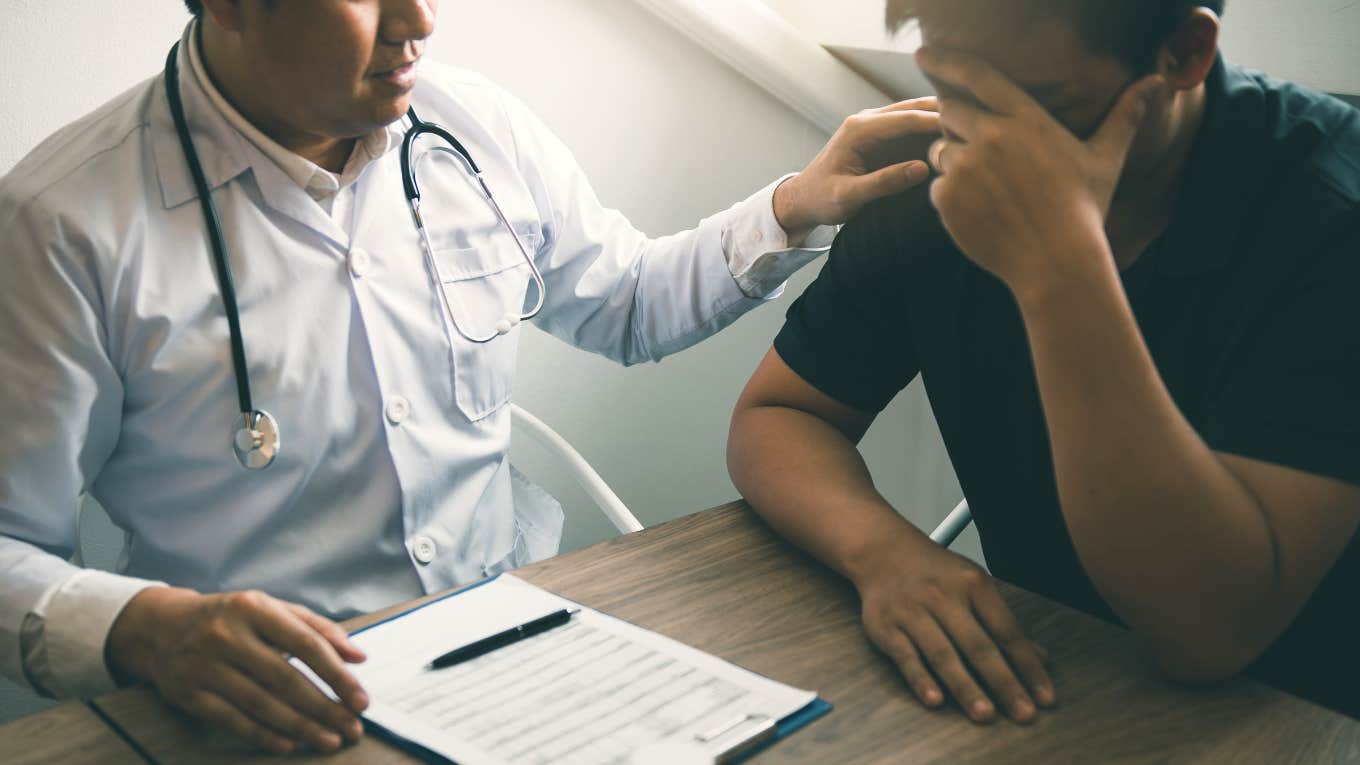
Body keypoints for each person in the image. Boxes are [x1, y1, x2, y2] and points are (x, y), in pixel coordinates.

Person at [0, 0, 945, 753]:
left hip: (518, 668)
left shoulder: (472, 127)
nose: (418, 20)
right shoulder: (63, 227)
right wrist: (141, 629)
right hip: (269, 716)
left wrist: (792, 205)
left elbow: (624, 303)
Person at [729, 0, 1360, 724]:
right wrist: (885, 553)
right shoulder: (938, 171)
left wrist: (1060, 267)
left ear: (1184, 53)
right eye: (957, 86)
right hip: (1053, 681)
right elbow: (780, 414)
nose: (985, 141)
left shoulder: (1332, 222)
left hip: (1297, 717)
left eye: (1042, 104)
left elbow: (1208, 635)